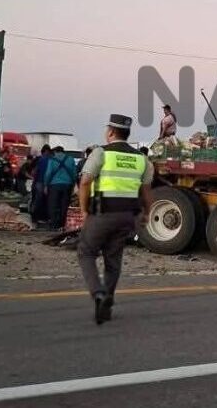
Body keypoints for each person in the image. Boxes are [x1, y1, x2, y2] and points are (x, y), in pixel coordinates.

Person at [78, 114, 154, 324]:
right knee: (113, 259)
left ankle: (99, 294)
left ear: (111, 132)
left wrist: (84, 211)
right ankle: (108, 301)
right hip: (127, 217)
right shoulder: (142, 159)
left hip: (102, 214)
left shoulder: (101, 153)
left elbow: (85, 182)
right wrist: (147, 213)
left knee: (86, 252)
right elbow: (147, 191)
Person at [44, 146, 76, 230]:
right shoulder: (71, 159)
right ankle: (62, 224)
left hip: (54, 185)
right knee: (64, 205)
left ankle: (54, 225)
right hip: (67, 185)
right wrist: (73, 184)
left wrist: (46, 185)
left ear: (55, 152)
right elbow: (74, 174)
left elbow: (48, 173)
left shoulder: (52, 160)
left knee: (53, 205)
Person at [30, 145, 52, 225]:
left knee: (38, 200)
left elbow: (34, 172)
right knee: (45, 201)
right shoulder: (51, 159)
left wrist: (34, 182)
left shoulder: (38, 159)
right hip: (47, 183)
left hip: (39, 182)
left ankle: (34, 217)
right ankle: (43, 217)